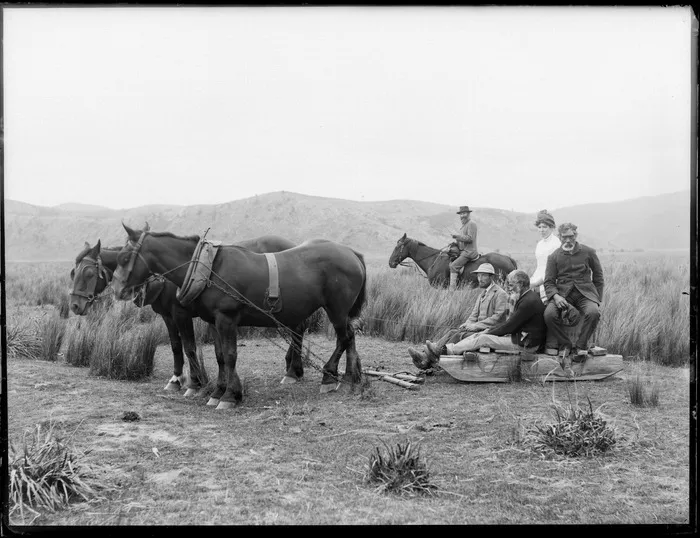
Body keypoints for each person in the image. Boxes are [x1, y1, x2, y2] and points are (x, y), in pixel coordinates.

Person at [425, 269, 545, 358]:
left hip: (525, 345)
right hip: (520, 339)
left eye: (511, 285)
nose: (508, 288)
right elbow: (510, 324)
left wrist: (488, 331)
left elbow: (510, 326)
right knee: (480, 335)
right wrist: (488, 330)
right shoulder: (526, 298)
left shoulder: (528, 302)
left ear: (521, 285)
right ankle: (441, 348)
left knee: (483, 338)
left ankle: (446, 351)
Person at [408, 263, 508, 369]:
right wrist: (467, 323)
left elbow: (498, 317)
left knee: (457, 335)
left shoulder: (500, 294)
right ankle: (429, 355)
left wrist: (475, 326)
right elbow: (474, 315)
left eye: (483, 275)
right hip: (478, 330)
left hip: (488, 332)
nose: (480, 278)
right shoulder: (482, 294)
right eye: (478, 275)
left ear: (491, 277)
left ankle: (430, 356)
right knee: (453, 331)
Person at [543, 222, 604, 360]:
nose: (568, 240)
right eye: (564, 237)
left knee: (593, 312)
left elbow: (599, 277)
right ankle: (565, 344)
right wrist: (556, 296)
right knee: (549, 315)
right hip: (563, 295)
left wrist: (597, 299)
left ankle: (581, 347)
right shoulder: (553, 256)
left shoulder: (589, 252)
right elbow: (549, 282)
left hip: (586, 294)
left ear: (576, 235)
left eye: (571, 236)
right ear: (559, 237)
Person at [529, 209, 561, 354]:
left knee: (545, 310)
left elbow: (551, 271)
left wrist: (536, 284)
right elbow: (539, 266)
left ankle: (548, 343)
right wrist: (530, 281)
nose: (541, 230)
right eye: (539, 227)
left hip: (551, 281)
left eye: (545, 227)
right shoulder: (540, 244)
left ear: (551, 227)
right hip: (539, 277)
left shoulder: (556, 243)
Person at [448, 205, 479, 291]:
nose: (462, 216)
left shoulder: (471, 224)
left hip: (469, 252)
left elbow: (469, 238)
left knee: (453, 266)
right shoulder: (464, 226)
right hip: (463, 251)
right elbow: (462, 239)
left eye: (464, 213)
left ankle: (452, 290)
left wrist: (457, 237)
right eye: (461, 214)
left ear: (468, 214)